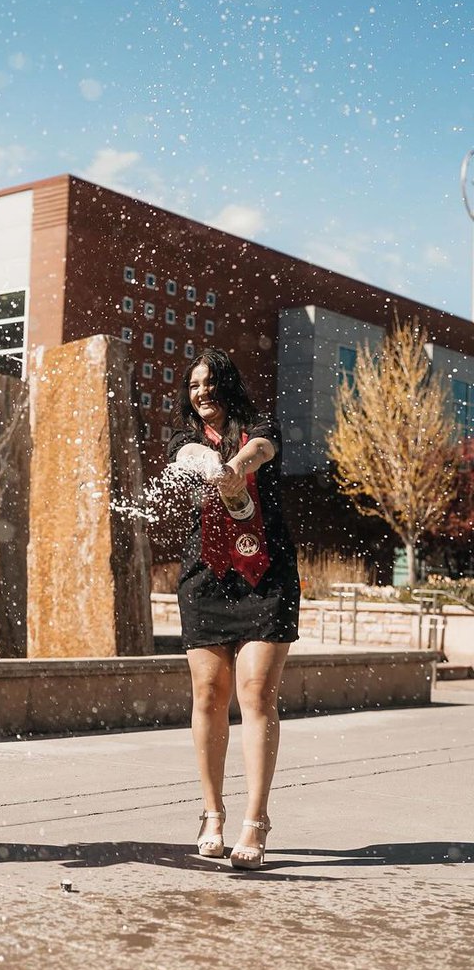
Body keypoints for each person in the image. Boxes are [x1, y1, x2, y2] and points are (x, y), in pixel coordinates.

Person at [166, 347, 300, 870]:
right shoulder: (185, 438)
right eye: (193, 385)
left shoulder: (259, 426)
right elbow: (188, 460)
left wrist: (237, 468)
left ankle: (255, 820)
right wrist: (213, 467)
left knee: (256, 693)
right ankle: (212, 814)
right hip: (206, 577)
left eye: (209, 383)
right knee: (207, 694)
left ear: (226, 386)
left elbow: (263, 449)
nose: (201, 393)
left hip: (266, 575)